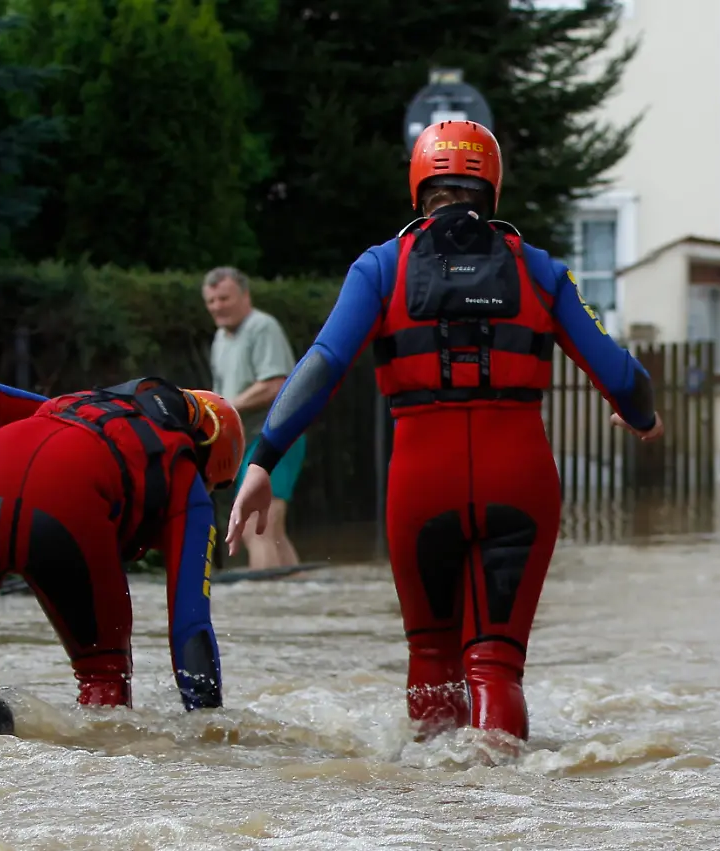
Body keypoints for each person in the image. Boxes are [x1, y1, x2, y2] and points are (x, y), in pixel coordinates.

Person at [227, 120, 665, 744]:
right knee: (496, 665)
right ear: (493, 188)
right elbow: (625, 377)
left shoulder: (380, 267)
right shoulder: (542, 271)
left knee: (433, 657)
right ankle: (505, 795)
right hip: (520, 480)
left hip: (422, 484)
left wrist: (263, 460)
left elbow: (320, 368)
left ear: (418, 187)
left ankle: (436, 796)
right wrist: (639, 415)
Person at [0, 374, 244, 730]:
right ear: (209, 461)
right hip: (70, 507)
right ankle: (3, 737)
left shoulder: (75, 409)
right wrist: (207, 723)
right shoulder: (186, 481)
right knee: (105, 684)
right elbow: (190, 625)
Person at [202, 266, 306, 569]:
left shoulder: (262, 327)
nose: (217, 307)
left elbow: (275, 384)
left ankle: (267, 600)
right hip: (248, 443)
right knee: (273, 534)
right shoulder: (220, 338)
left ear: (245, 296)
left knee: (255, 527)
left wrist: (225, 407)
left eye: (224, 298)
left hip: (274, 438)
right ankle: (298, 593)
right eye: (211, 301)